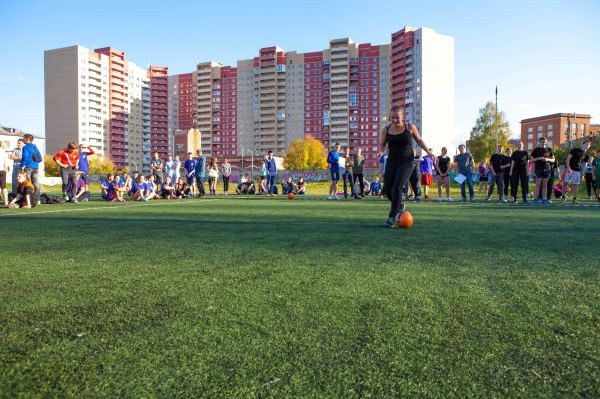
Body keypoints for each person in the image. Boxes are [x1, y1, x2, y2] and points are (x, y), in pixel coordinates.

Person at [379, 105, 433, 227]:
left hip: (407, 161)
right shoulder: (386, 129)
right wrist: (381, 152)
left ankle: (391, 217)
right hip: (392, 160)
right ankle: (400, 206)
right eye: (392, 118)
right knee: (387, 189)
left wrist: (428, 152)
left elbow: (419, 140)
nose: (394, 120)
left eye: (397, 118)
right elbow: (382, 145)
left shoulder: (410, 127)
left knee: (398, 186)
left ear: (403, 116)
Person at [562, 140, 591, 204]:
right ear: (582, 144)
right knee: (565, 183)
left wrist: (583, 174)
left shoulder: (587, 155)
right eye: (586, 143)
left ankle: (574, 199)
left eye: (589, 144)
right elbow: (567, 159)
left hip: (577, 170)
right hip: (569, 169)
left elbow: (584, 165)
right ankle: (563, 198)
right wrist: (568, 167)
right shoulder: (575, 150)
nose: (587, 145)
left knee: (576, 185)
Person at [530, 137, 555, 205]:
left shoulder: (549, 149)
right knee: (538, 185)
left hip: (547, 169)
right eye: (542, 142)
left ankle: (544, 199)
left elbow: (553, 160)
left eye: (544, 142)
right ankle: (535, 199)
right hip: (538, 169)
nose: (543, 143)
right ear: (540, 142)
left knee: (544, 185)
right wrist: (539, 158)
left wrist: (547, 159)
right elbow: (531, 160)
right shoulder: (536, 150)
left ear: (546, 142)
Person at [20, 133, 43, 205]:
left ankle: (29, 199)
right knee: (36, 183)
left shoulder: (25, 147)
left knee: (28, 183)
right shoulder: (35, 147)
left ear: (27, 139)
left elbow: (25, 157)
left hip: (28, 166)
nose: (23, 139)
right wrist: (36, 162)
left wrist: (23, 165)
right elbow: (40, 158)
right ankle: (37, 199)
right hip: (35, 167)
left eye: (24, 138)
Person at [0, 142, 8, 207]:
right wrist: (5, 170)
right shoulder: (3, 151)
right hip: (2, 170)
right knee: (3, 187)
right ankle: (6, 203)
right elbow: (5, 162)